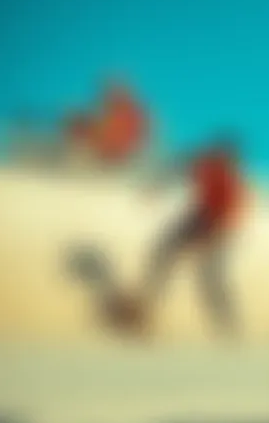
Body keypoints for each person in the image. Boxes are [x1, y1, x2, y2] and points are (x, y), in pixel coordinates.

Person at [135, 138, 247, 334]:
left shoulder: (230, 182)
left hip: (217, 227)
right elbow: (180, 166)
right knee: (163, 252)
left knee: (210, 276)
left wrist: (210, 238)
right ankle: (146, 307)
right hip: (199, 217)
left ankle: (228, 323)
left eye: (224, 159)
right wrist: (155, 187)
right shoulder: (206, 166)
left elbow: (229, 215)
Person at [65, 82, 149, 167]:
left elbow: (115, 139)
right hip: (110, 153)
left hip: (115, 155)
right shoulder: (124, 114)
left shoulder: (127, 115)